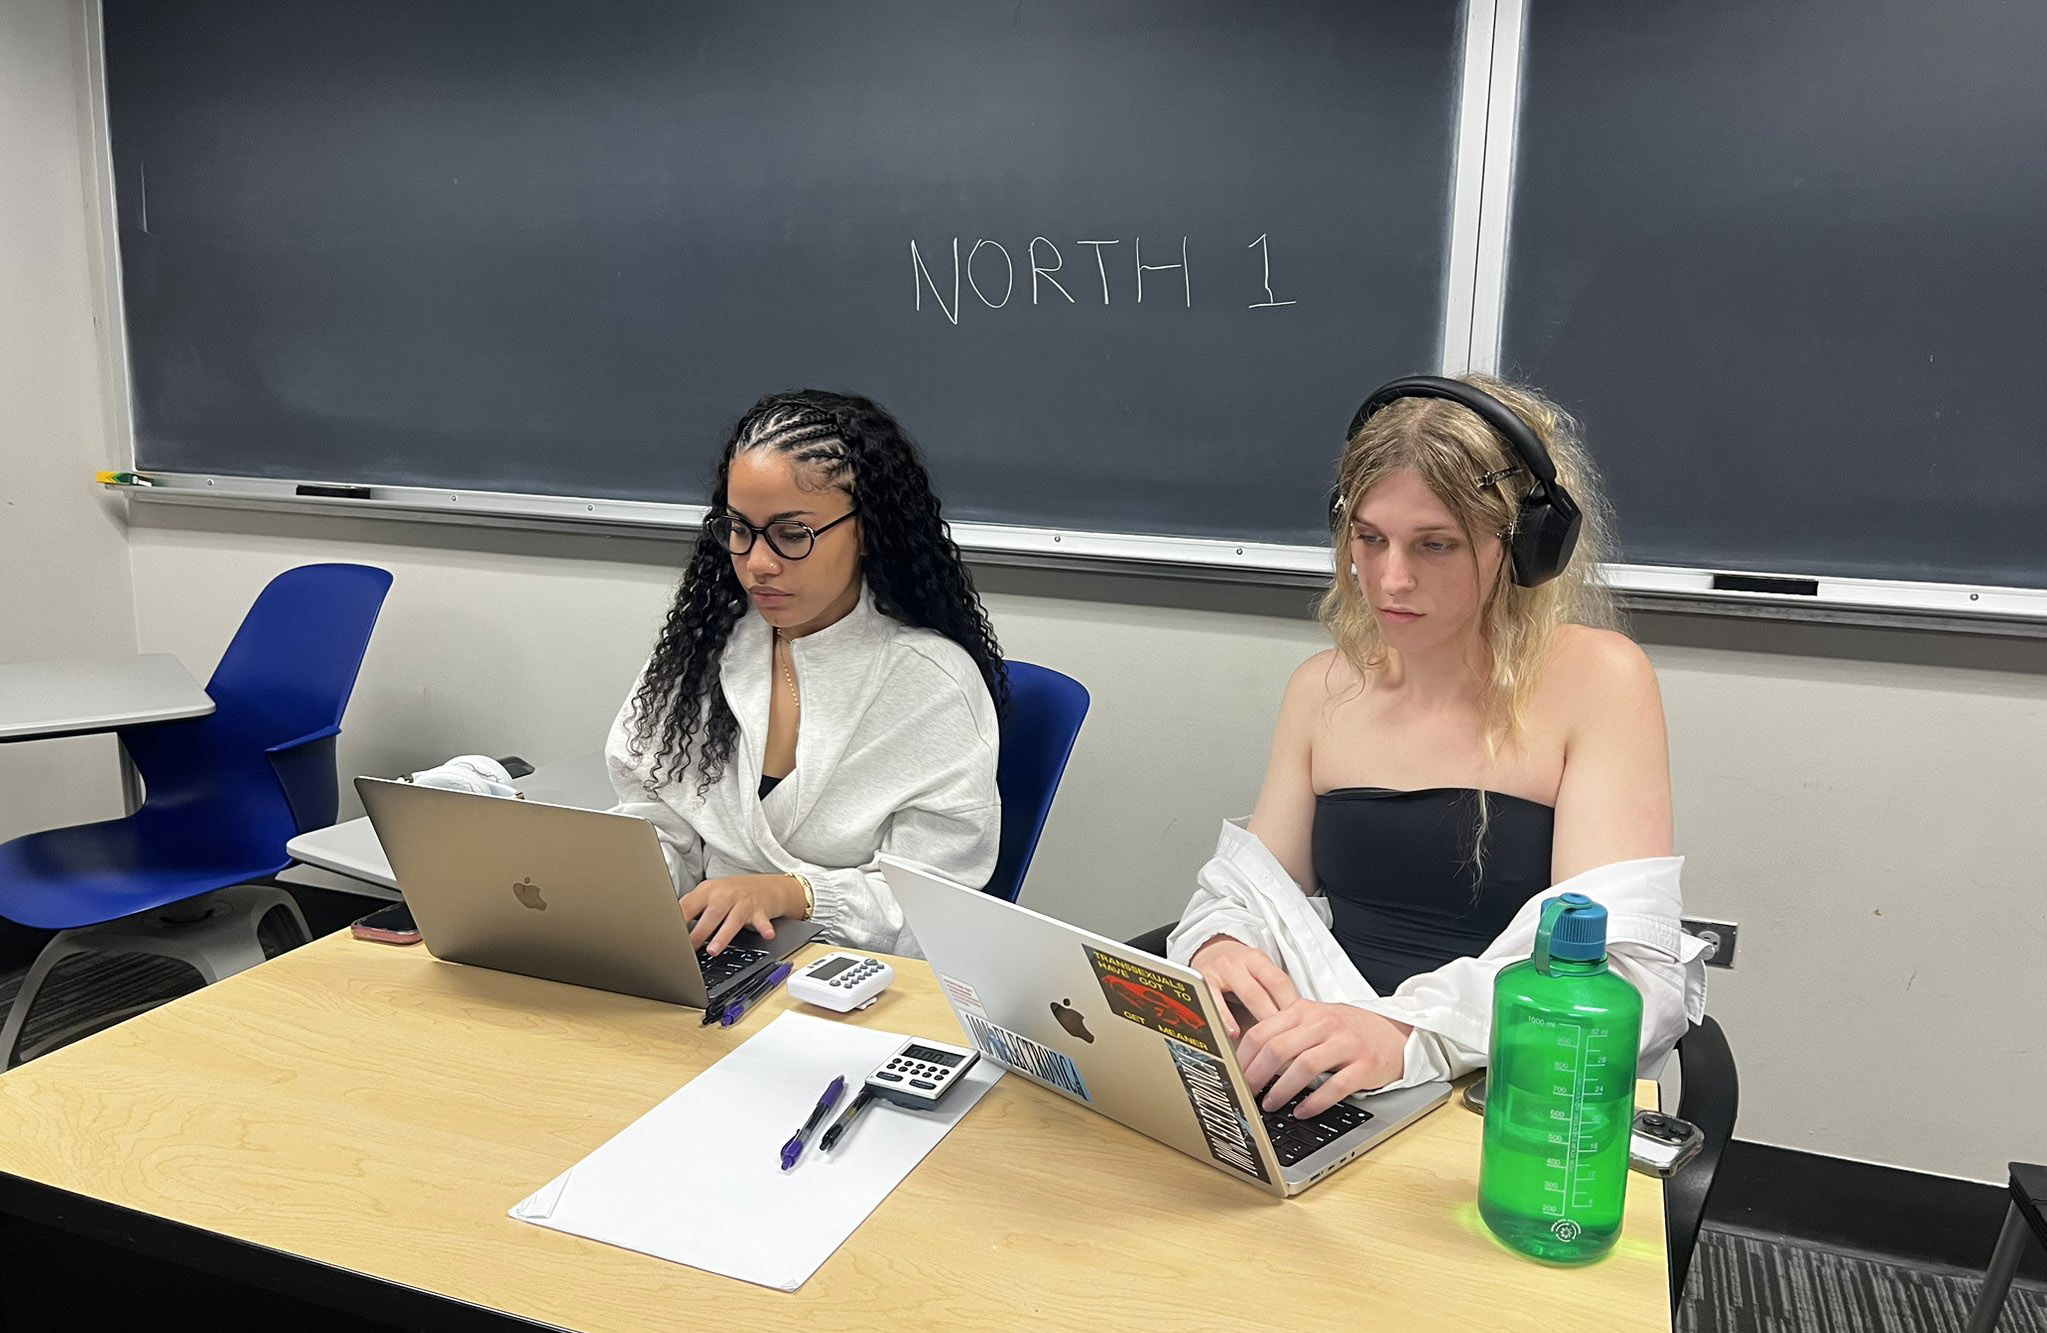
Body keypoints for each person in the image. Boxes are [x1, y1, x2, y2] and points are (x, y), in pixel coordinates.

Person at [1168, 374, 1706, 1119]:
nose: (1389, 578)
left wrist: (1402, 1031)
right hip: (1330, 1074)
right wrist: (1220, 943)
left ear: (1522, 547)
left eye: (1435, 545)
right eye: (1368, 538)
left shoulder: (1598, 681)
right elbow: (1252, 892)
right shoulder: (1322, 689)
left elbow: (1614, 969)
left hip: (1502, 1093)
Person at [606, 389, 1005, 957]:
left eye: (793, 534)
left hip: (854, 982)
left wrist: (794, 894)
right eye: (739, 530)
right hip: (703, 960)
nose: (758, 563)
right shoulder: (698, 654)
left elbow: (932, 912)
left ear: (867, 529)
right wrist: (609, 886)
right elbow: (659, 829)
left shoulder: (929, 683)